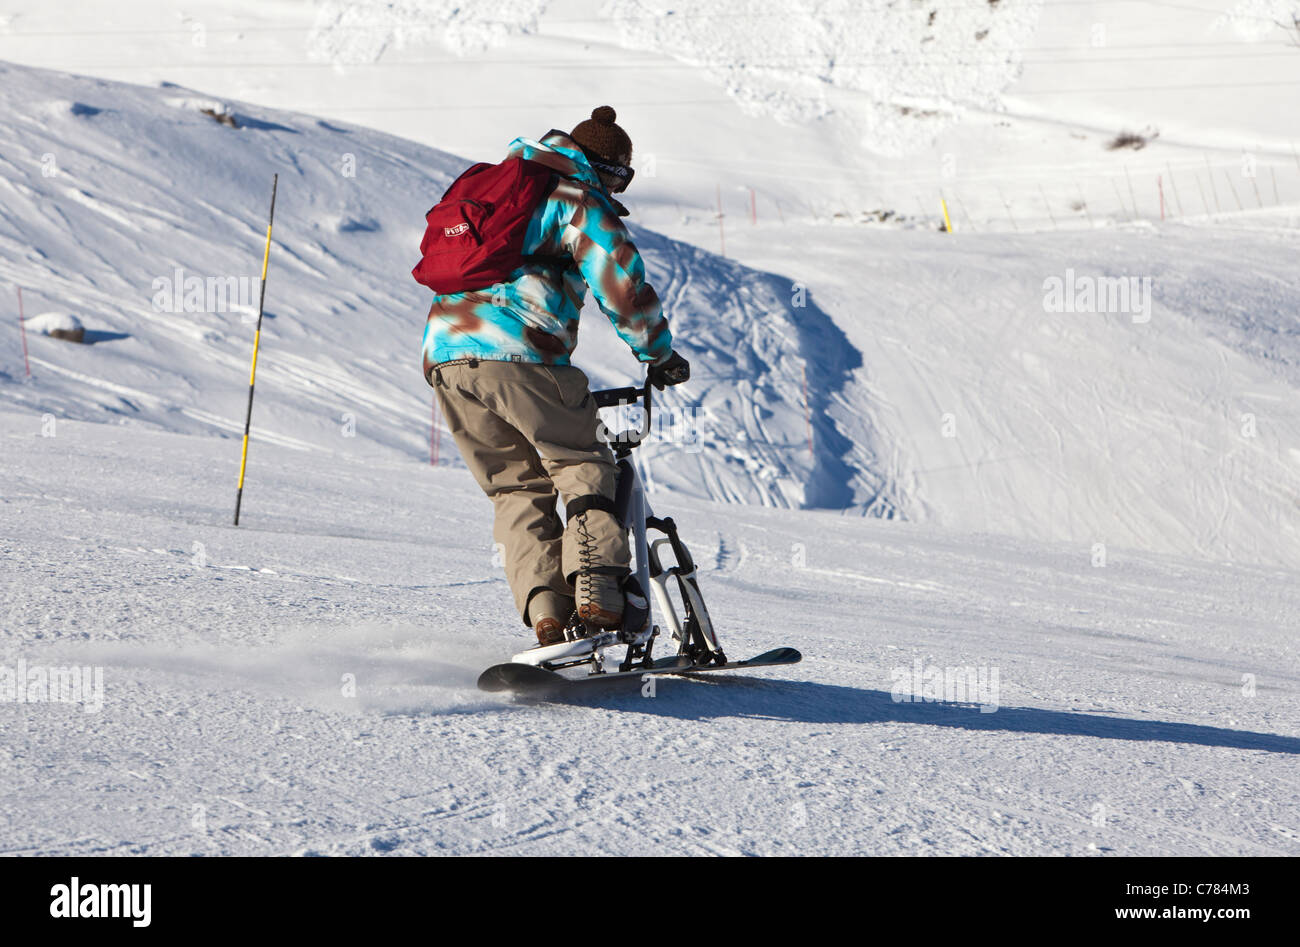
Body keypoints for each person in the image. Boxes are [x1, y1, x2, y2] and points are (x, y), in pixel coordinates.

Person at [421, 106, 691, 646]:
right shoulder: (575, 200)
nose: (618, 187)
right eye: (620, 175)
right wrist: (658, 354)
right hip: (524, 356)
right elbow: (621, 283)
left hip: (446, 360)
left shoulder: (498, 188)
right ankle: (599, 594)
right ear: (605, 167)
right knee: (583, 464)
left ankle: (547, 618)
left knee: (516, 489)